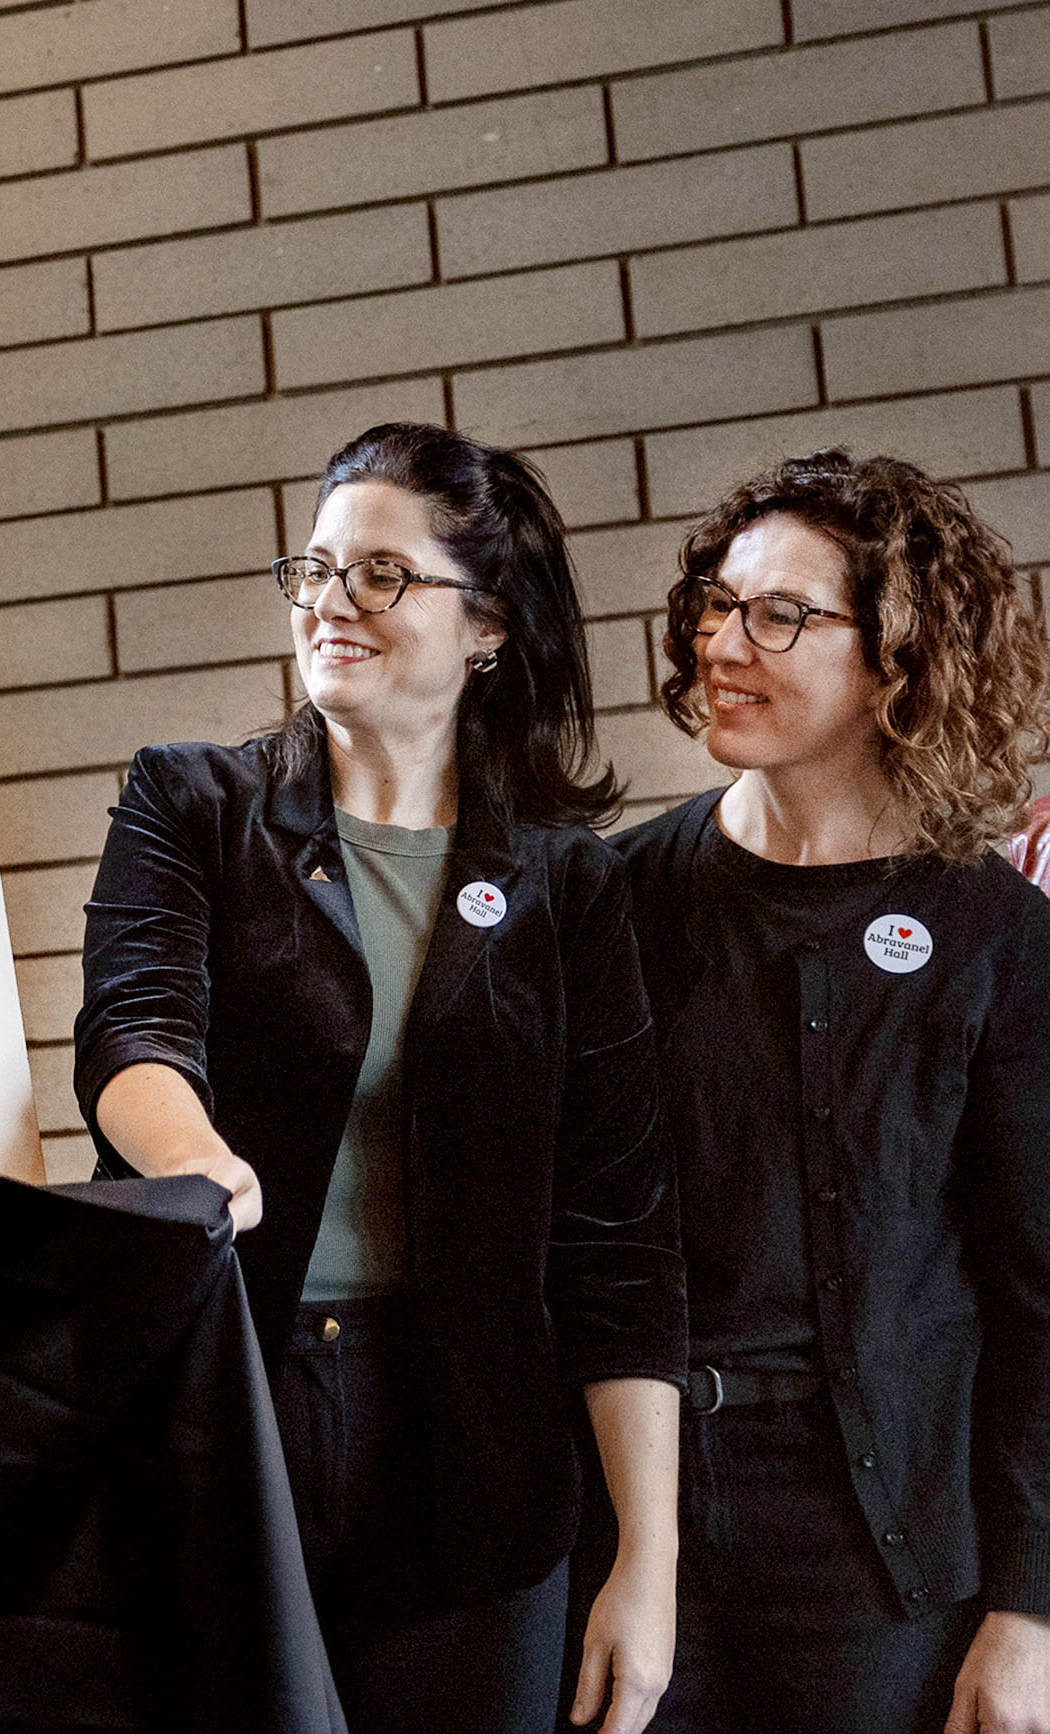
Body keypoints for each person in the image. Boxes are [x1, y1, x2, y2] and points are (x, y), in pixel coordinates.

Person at [71, 422, 683, 1734]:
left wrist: (650, 1561)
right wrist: (197, 1160)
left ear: (487, 623)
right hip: (238, 1410)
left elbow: (618, 1236)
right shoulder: (195, 804)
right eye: (317, 567)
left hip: (476, 1453)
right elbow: (135, 1036)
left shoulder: (569, 880)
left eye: (382, 574)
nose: (331, 600)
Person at [605, 452, 1050, 1734]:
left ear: (898, 662)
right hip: (642, 1517)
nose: (721, 642)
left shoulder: (992, 936)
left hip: (890, 1547)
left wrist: (1030, 1611)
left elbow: (1043, 1299)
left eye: (780, 615)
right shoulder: (615, 903)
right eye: (716, 602)